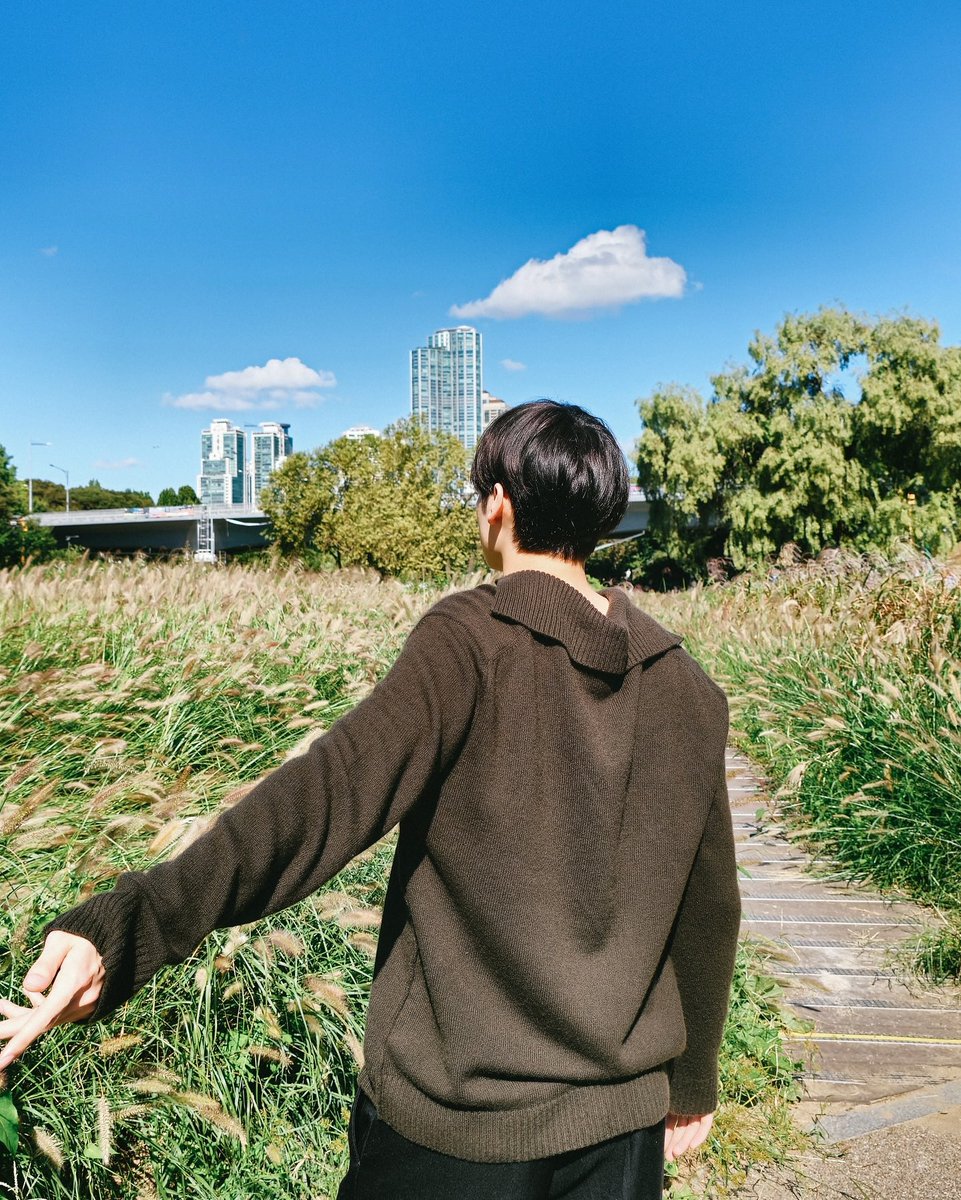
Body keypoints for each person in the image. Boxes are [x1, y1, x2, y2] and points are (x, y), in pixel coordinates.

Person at [0, 400, 741, 1199]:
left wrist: (131, 925)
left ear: (497, 504)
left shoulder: (471, 640)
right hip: (622, 1128)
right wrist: (691, 1080)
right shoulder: (687, 686)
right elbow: (709, 906)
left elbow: (320, 799)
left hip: (457, 1126)